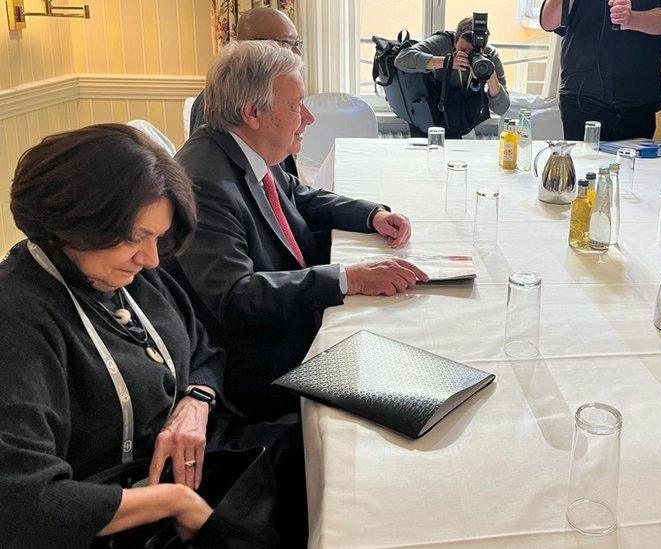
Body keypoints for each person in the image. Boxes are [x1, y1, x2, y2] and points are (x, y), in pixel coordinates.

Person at [0, 124, 306, 546]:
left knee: (320, 451)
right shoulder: (18, 319)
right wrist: (172, 502)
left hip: (197, 462)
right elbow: (23, 502)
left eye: (158, 238)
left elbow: (202, 350)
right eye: (135, 238)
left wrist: (195, 403)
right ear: (71, 222)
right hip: (118, 519)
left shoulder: (120, 274)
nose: (151, 258)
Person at [170, 41, 428, 421]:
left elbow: (295, 194)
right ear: (252, 112)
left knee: (409, 324)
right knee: (408, 366)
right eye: (295, 105)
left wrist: (370, 215)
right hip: (265, 365)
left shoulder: (241, 143)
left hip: (292, 323)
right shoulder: (204, 183)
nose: (308, 117)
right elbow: (236, 297)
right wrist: (348, 278)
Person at [540, 0, 661, 141]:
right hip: (582, 97)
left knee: (635, 162)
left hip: (637, 101)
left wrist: (632, 19)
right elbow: (548, 21)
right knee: (582, 161)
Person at [188, 7, 302, 180]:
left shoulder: (268, 95)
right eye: (286, 44)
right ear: (252, 45)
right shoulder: (219, 103)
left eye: (297, 44)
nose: (297, 52)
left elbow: (286, 189)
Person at [394, 17, 511, 138]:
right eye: (463, 49)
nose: (467, 55)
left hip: (461, 121)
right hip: (430, 118)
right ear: (455, 39)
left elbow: (502, 108)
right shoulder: (442, 42)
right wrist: (447, 62)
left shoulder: (489, 57)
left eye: (473, 52)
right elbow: (402, 59)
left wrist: (490, 75)